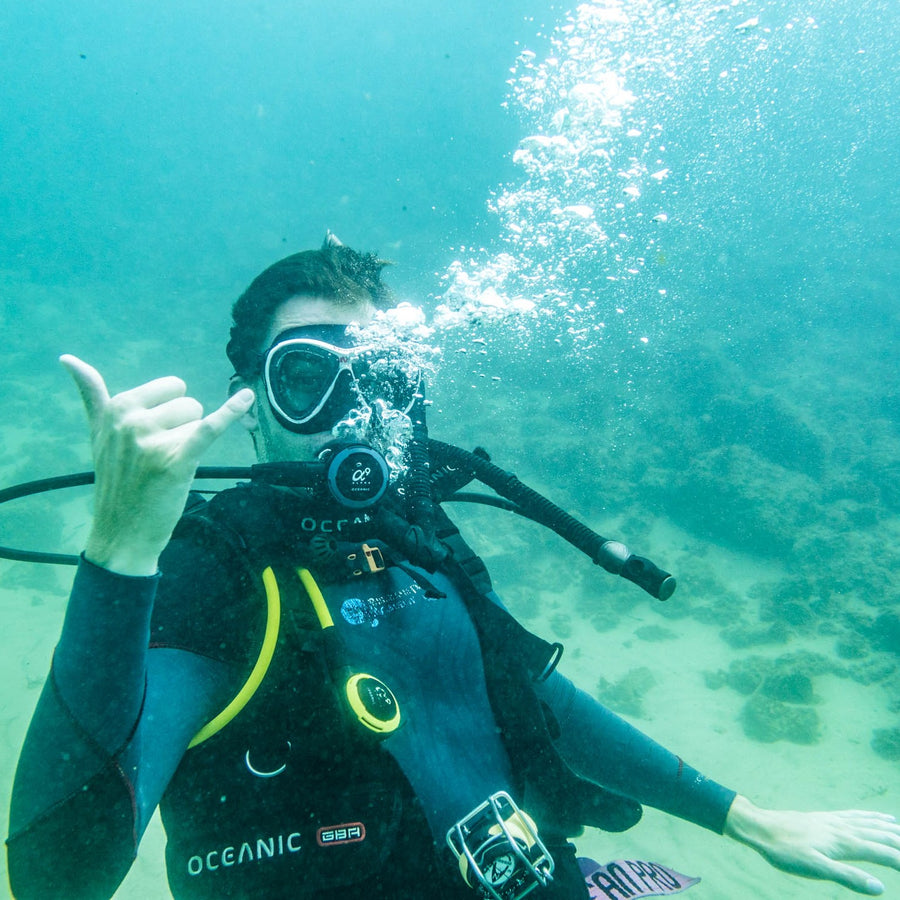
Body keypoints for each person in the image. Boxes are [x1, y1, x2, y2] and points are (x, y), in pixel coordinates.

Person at [6, 236, 900, 900]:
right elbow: (55, 876)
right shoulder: (221, 577)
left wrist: (743, 817)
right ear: (255, 410)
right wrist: (122, 552)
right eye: (310, 378)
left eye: (383, 380)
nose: (354, 413)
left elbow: (531, 696)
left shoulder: (424, 535)